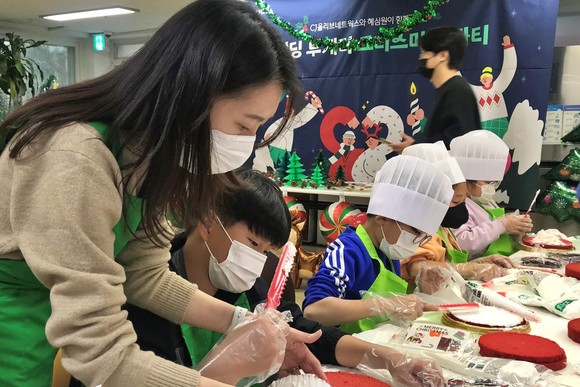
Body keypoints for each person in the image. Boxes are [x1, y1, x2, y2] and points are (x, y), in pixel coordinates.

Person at [0, 1, 325, 386]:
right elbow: (100, 351)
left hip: (45, 330)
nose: (246, 144)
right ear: (191, 95)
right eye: (243, 125)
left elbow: (144, 273)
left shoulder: (149, 157)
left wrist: (251, 324)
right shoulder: (76, 157)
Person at [125, 169, 445, 386]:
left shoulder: (248, 286)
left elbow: (304, 332)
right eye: (252, 243)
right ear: (209, 221)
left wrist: (387, 358)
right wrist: (232, 362)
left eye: (266, 250)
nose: (255, 260)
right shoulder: (144, 299)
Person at [303, 155, 454, 333]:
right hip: (344, 350)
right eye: (416, 233)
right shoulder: (347, 250)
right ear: (382, 217)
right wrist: (383, 305)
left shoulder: (388, 252)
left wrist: (423, 291)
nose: (419, 242)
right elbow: (314, 310)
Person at [400, 142, 514, 292]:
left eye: (462, 201)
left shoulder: (442, 228)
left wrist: (480, 262)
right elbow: (417, 267)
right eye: (455, 201)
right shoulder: (413, 227)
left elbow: (446, 263)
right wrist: (471, 269)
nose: (460, 208)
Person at [391, 26, 481, 153]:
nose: (421, 58)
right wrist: (414, 146)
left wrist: (415, 148)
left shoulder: (457, 90)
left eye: (424, 52)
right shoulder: (448, 89)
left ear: (443, 55)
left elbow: (456, 143)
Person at [450, 130, 533, 257]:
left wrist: (514, 227)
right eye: (488, 182)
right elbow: (461, 243)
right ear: (465, 179)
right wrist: (501, 225)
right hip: (479, 267)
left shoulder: (485, 202)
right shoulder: (456, 207)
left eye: (495, 183)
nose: (491, 188)